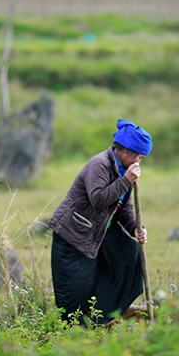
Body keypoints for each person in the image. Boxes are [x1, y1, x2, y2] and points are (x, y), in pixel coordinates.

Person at [48, 119, 152, 324]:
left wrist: (135, 228)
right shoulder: (100, 164)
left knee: (129, 255)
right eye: (139, 156)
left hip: (101, 231)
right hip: (74, 233)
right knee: (77, 289)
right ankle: (77, 329)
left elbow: (124, 206)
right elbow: (98, 200)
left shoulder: (124, 170)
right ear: (124, 151)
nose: (140, 161)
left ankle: (111, 312)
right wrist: (126, 181)